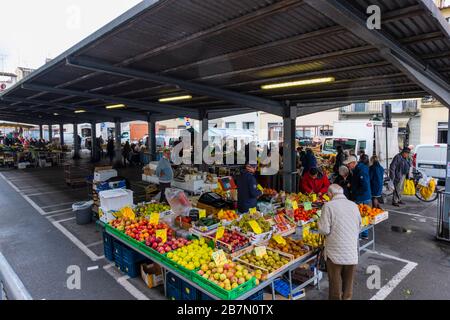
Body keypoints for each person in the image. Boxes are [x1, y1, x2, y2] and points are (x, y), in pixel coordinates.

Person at [318, 184, 362, 300]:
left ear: (330, 194)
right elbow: (359, 226)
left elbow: (324, 230)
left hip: (334, 254)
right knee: (348, 286)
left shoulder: (328, 206)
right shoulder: (354, 205)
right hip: (352, 252)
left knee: (335, 287)